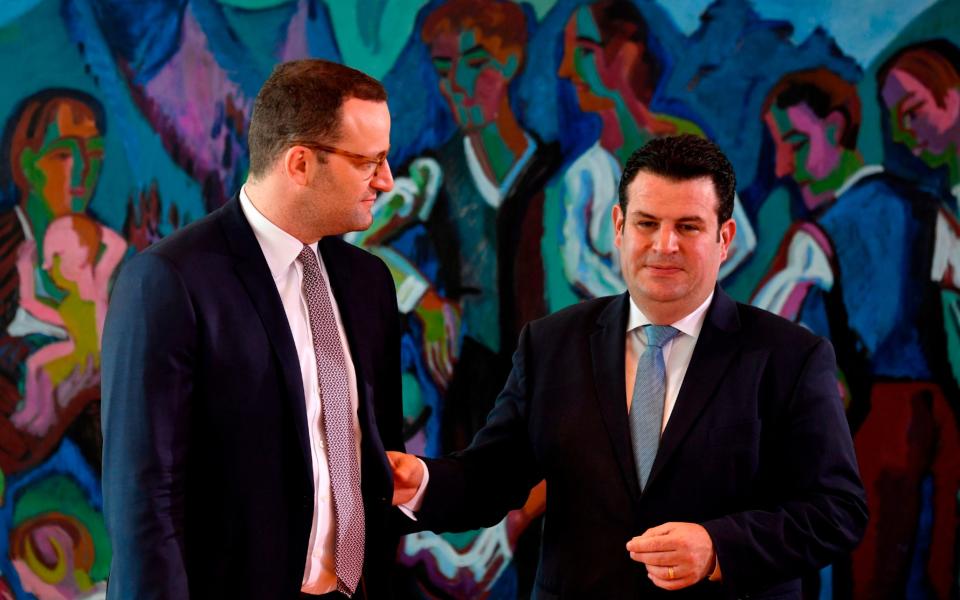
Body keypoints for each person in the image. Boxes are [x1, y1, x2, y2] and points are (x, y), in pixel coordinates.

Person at [389, 134, 867, 598]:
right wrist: (422, 482)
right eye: (646, 223)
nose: (664, 245)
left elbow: (837, 510)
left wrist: (719, 547)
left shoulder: (792, 358)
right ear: (618, 227)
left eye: (688, 226)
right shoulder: (550, 343)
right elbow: (493, 476)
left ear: (725, 238)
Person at [101, 59, 408, 599]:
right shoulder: (168, 281)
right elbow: (143, 499)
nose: (385, 180)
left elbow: (377, 460)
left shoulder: (369, 282)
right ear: (299, 164)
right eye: (370, 161)